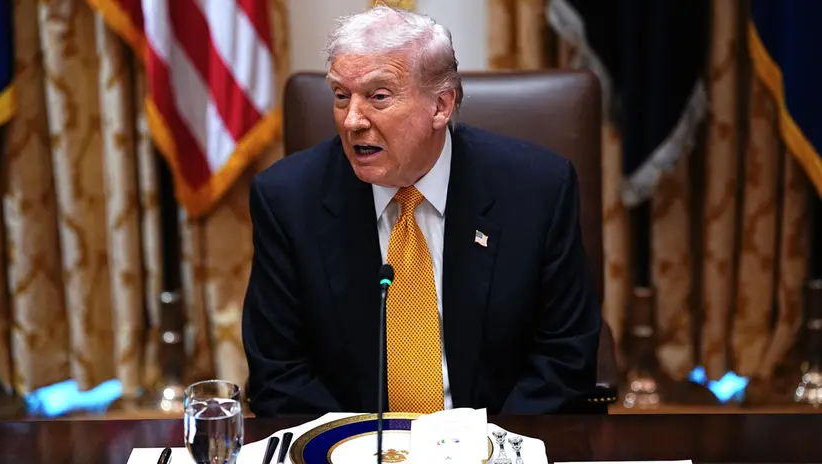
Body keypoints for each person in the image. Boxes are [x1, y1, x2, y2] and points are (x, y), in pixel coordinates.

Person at [242, 5, 601, 417]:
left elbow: (564, 357)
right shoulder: (287, 199)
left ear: (441, 106)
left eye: (378, 96)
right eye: (341, 96)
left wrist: (493, 451)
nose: (353, 120)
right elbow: (279, 371)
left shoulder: (537, 190)